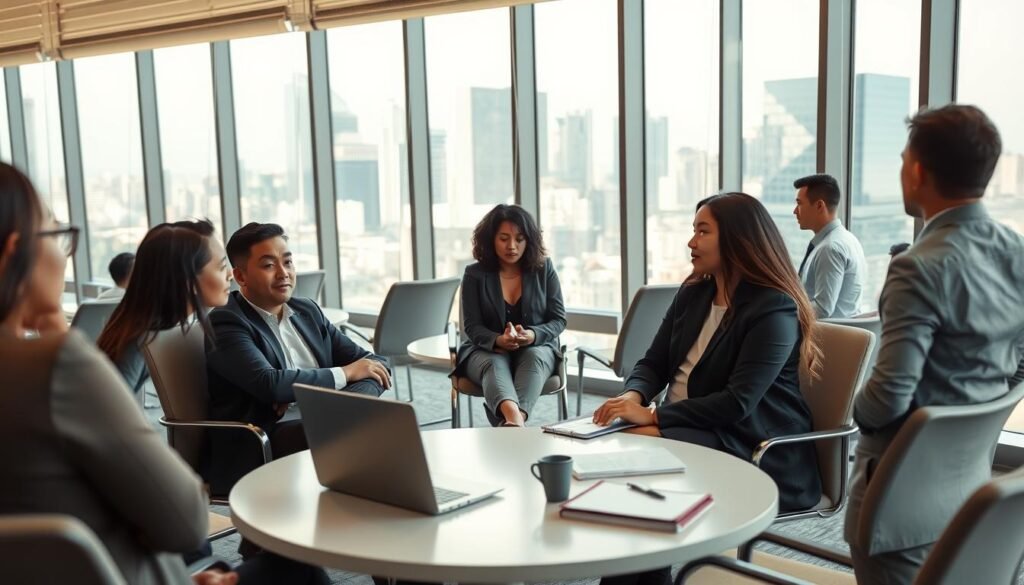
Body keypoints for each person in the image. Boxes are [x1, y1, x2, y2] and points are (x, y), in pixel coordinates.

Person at [0, 162, 326, 585]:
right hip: (131, 554)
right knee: (303, 574)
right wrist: (58, 339)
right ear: (15, 253)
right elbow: (186, 523)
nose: (65, 252)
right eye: (56, 232)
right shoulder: (62, 364)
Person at [592, 192, 823, 585]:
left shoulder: (773, 308)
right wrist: (634, 396)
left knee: (639, 455)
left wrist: (653, 416)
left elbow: (738, 403)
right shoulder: (693, 293)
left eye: (702, 231)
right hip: (693, 429)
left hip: (753, 442)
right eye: (692, 230)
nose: (691, 242)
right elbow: (653, 363)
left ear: (737, 239)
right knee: (619, 449)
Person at [845, 104, 1024, 584]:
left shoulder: (918, 266)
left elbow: (886, 401)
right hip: (970, 480)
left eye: (904, 159)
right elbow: (1020, 366)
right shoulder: (1017, 251)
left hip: (896, 498)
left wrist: (852, 407)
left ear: (918, 170)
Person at [205, 222, 392, 493]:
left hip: (324, 424)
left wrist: (311, 396)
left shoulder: (307, 311)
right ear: (241, 276)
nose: (284, 273)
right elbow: (269, 384)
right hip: (260, 438)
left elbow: (376, 363)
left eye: (288, 262)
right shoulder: (226, 322)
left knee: (360, 428)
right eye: (269, 265)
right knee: (360, 434)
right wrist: (346, 374)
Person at [454, 204, 566, 427]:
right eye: (504, 238)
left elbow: (558, 319)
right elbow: (472, 327)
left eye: (519, 239)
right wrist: (498, 340)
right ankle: (515, 420)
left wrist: (532, 335)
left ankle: (511, 421)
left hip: (536, 349)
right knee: (494, 362)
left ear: (529, 241)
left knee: (534, 357)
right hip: (486, 351)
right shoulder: (474, 275)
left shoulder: (544, 269)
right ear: (491, 239)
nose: (512, 246)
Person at [97, 222, 219, 396]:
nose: (230, 274)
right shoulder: (141, 339)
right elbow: (106, 410)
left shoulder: (164, 328)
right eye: (221, 267)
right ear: (189, 279)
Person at [792, 173, 867, 318]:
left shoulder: (830, 248)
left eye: (799, 203)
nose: (795, 211)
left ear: (819, 205)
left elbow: (822, 309)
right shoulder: (848, 239)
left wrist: (783, 311)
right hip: (835, 334)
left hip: (827, 337)